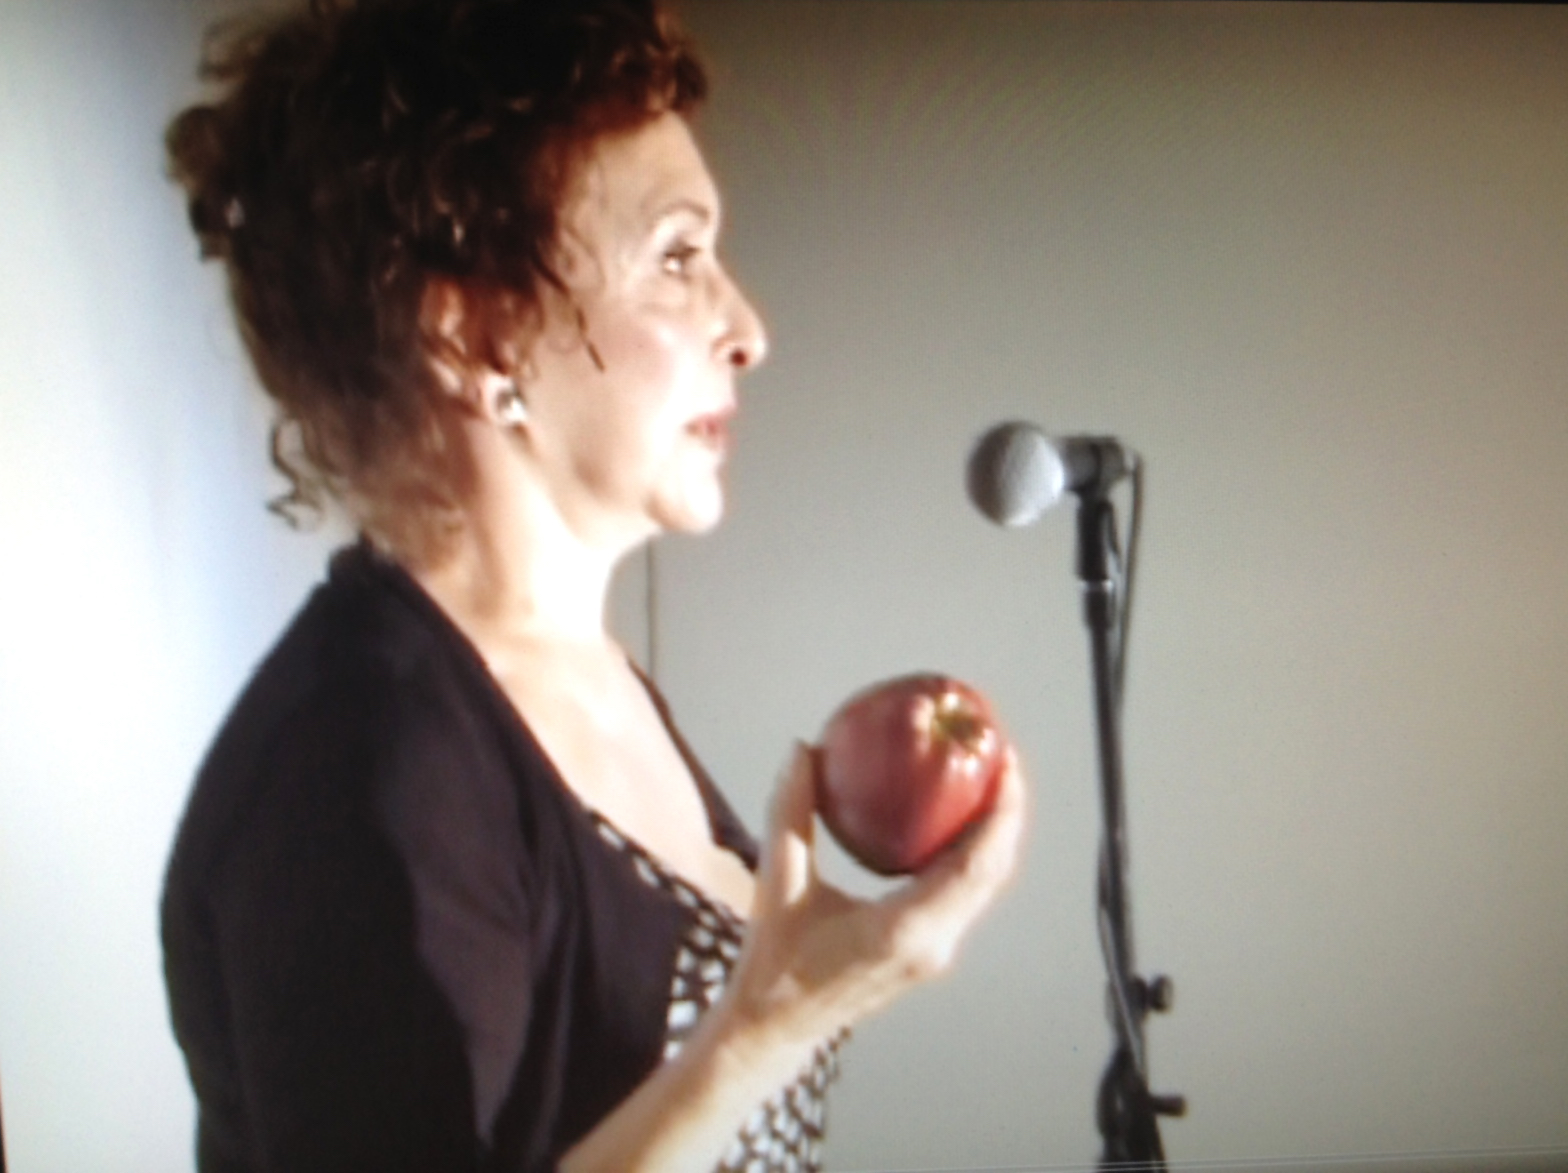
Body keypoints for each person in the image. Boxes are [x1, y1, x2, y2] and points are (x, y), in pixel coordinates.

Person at [159, 1, 1027, 1170]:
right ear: (474, 337)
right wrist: (783, 1018)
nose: (748, 327)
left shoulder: (586, 679)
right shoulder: (360, 767)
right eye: (678, 256)